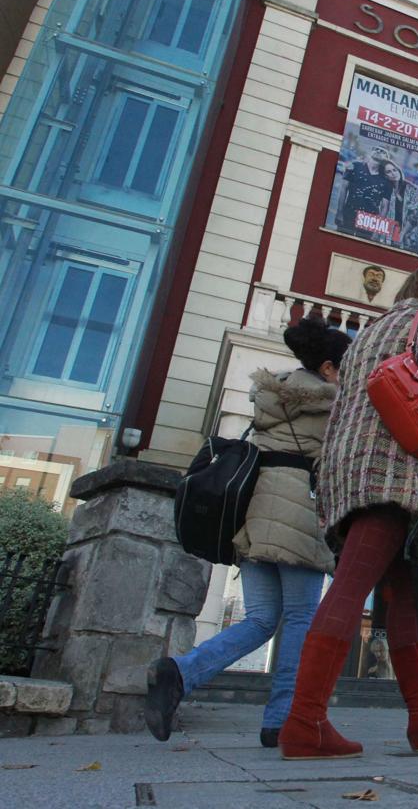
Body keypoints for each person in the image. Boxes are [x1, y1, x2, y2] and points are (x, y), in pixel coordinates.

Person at [279, 270, 418, 760]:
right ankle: (304, 722)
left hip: (351, 470)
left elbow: (345, 404)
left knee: (405, 598)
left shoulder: (365, 335)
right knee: (350, 589)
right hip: (397, 471)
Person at [144, 317, 351, 748]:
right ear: (329, 369)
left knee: (260, 620)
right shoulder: (334, 405)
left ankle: (180, 672)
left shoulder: (271, 397)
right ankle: (281, 719)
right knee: (299, 619)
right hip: (299, 516)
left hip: (255, 515)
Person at [337, 146, 393, 237]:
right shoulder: (355, 166)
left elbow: (385, 207)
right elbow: (343, 189)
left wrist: (377, 229)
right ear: (370, 152)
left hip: (369, 221)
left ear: (386, 158)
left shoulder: (386, 181)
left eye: (382, 151)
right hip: (349, 213)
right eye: (376, 149)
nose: (378, 151)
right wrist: (339, 212)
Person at [379, 161, 418, 252]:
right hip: (391, 232)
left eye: (394, 170)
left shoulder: (413, 189)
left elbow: (415, 216)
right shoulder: (388, 189)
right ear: (385, 176)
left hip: (407, 235)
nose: (393, 173)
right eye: (389, 172)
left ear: (399, 170)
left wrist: (401, 235)